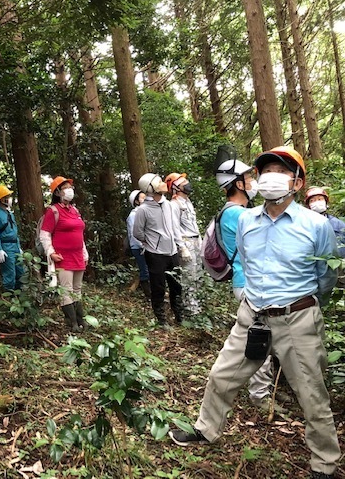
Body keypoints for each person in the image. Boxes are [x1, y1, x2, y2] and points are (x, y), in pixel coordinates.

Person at [169, 146, 340, 479]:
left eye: (280, 170)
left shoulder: (315, 226)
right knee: (221, 375)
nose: (270, 177)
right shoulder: (247, 220)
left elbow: (326, 275)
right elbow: (245, 261)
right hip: (252, 315)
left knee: (312, 394)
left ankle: (324, 463)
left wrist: (299, 303)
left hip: (298, 318)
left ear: (298, 182)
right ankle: (206, 429)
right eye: (265, 171)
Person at [214, 147, 277, 412]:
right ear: (237, 184)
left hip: (250, 283)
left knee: (264, 339)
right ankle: (259, 394)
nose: (253, 183)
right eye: (248, 179)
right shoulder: (238, 214)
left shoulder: (235, 212)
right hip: (249, 283)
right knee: (259, 341)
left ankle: (262, 389)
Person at [133, 173, 190, 325]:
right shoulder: (143, 210)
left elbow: (175, 228)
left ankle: (179, 316)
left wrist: (181, 246)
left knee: (176, 285)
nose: (162, 184)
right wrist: (152, 242)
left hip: (172, 252)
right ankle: (161, 319)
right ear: (150, 188)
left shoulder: (170, 205)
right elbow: (137, 232)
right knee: (158, 287)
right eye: (158, 182)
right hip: (155, 254)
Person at [39, 176, 88, 332]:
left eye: (70, 187)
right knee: (66, 289)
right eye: (65, 187)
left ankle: (81, 320)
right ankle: (72, 323)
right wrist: (51, 252)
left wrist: (84, 252)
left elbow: (80, 234)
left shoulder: (75, 210)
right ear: (58, 192)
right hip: (62, 257)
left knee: (77, 289)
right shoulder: (52, 211)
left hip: (78, 255)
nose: (69, 190)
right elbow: (44, 234)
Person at [165, 172, 202, 316]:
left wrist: (200, 241)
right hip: (186, 242)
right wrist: (182, 247)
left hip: (195, 240)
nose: (187, 184)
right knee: (189, 277)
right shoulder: (174, 205)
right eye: (183, 182)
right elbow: (174, 228)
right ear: (176, 187)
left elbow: (193, 225)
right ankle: (190, 309)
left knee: (198, 274)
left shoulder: (187, 202)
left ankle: (197, 304)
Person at [0, 185, 24, 291]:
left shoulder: (9, 213)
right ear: (1, 199)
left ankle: (20, 298)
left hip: (15, 246)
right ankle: (9, 300)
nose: (9, 198)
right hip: (6, 247)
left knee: (21, 272)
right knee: (10, 274)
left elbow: (14, 231)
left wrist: (19, 247)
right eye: (7, 196)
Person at [304, 186, 345, 257]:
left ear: (326, 202)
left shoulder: (338, 224)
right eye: (312, 200)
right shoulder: (304, 224)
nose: (317, 202)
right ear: (308, 206)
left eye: (320, 199)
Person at [126, 190, 150, 298]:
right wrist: (142, 245)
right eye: (142, 198)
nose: (145, 199)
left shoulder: (146, 212)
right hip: (138, 247)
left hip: (148, 246)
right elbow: (133, 233)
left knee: (151, 269)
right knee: (144, 270)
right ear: (136, 201)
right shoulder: (133, 215)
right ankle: (148, 294)